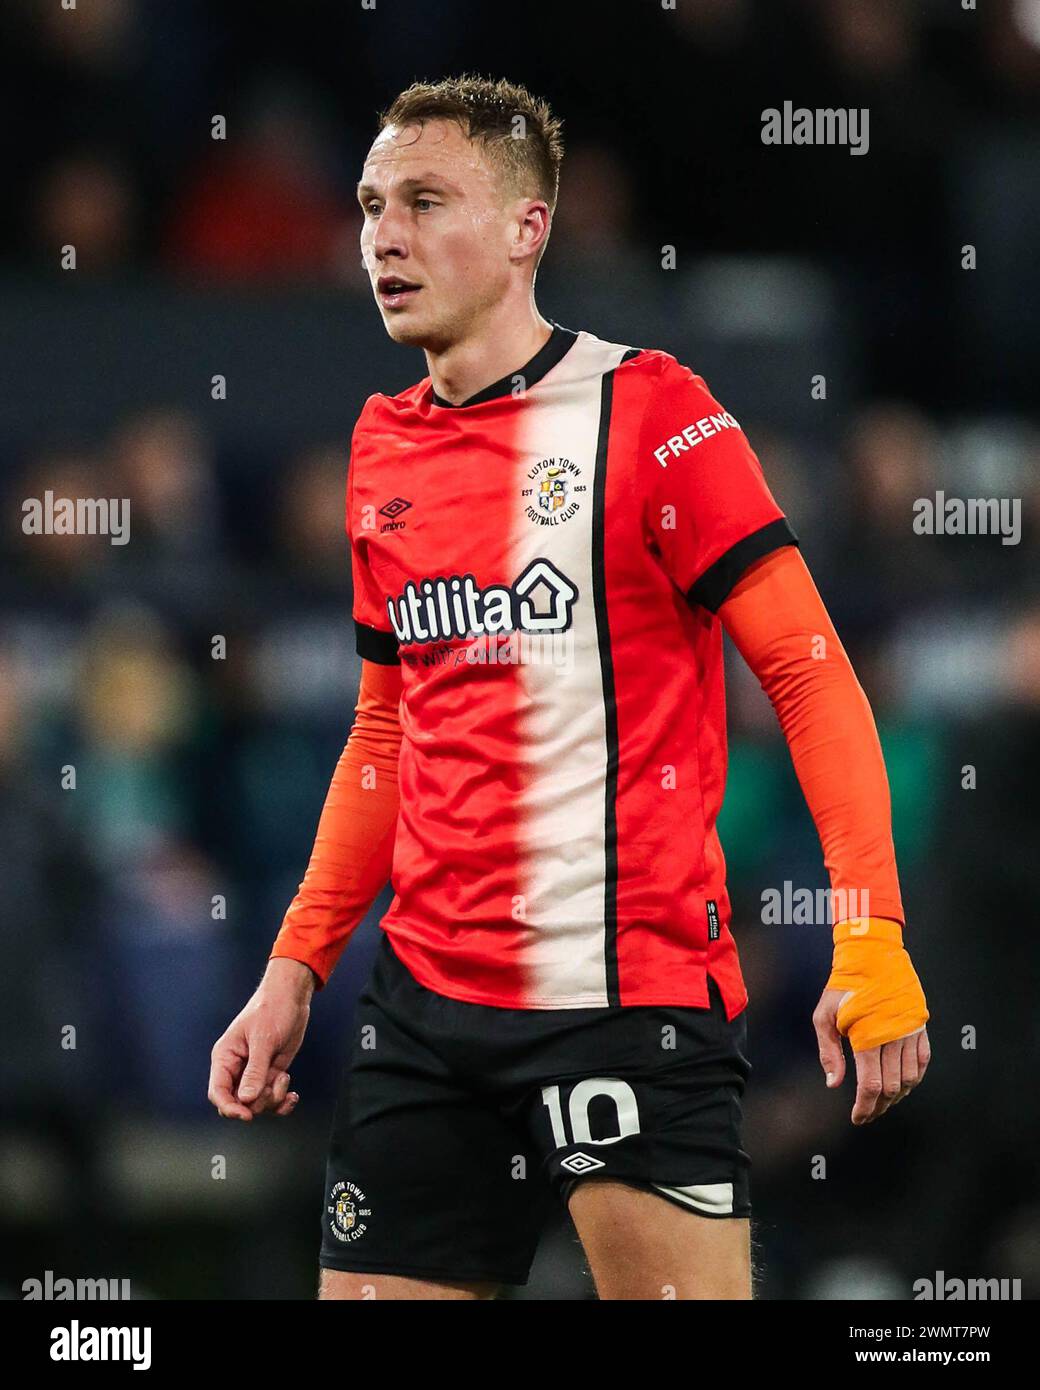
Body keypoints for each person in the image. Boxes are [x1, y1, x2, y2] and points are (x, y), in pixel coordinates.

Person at [208, 75, 930, 1301]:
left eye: (427, 201)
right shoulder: (381, 443)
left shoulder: (655, 416)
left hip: (626, 1008)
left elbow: (810, 680)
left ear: (526, 229)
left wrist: (868, 933)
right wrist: (296, 963)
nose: (383, 233)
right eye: (373, 203)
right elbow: (387, 726)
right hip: (426, 1011)